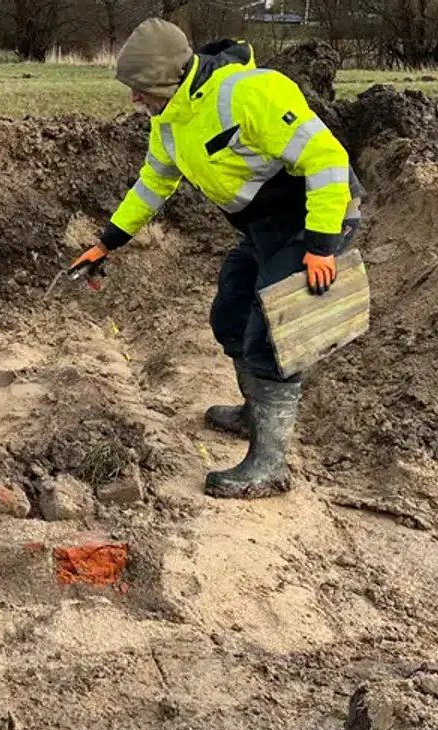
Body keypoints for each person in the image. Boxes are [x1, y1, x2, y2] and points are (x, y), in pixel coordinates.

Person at [70, 19, 362, 499]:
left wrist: (321, 246)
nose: (134, 100)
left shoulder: (250, 94)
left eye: (140, 89)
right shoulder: (169, 120)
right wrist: (107, 242)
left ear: (166, 78)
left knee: (273, 335)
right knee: (230, 315)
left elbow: (327, 159)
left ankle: (270, 465)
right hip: (265, 226)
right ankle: (254, 412)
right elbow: (153, 184)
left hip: (317, 217)